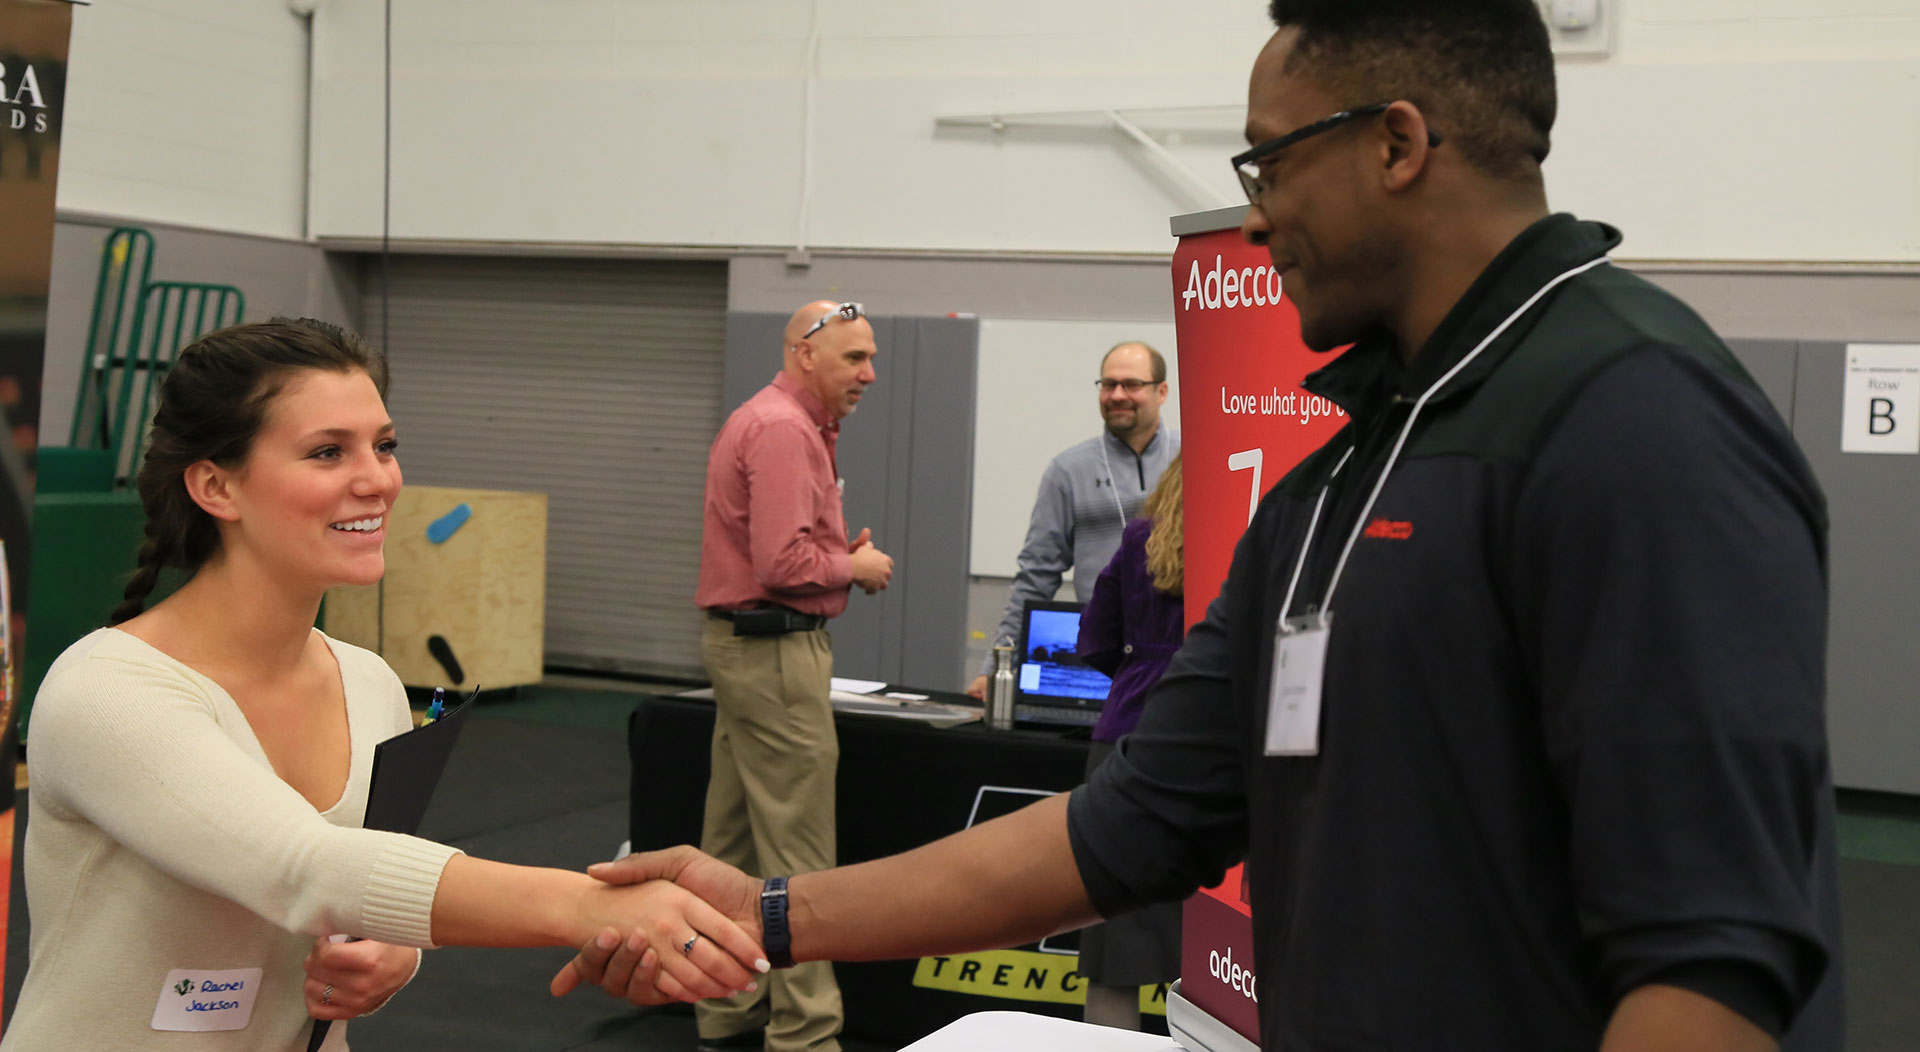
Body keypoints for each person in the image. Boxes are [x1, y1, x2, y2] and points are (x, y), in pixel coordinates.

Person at [560, 1, 1846, 1049]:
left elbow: (1711, 964)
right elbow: (1127, 822)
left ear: (1397, 143)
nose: (1255, 213)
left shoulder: (1635, 423)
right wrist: (773, 909)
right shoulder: (1344, 477)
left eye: (1270, 160)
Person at [5, 319, 767, 1051]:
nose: (377, 480)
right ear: (216, 486)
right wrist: (589, 904)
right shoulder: (107, 693)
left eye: (385, 445)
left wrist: (391, 952)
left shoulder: (367, 682)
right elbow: (302, 867)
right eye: (327, 452)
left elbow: (360, 889)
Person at [691, 300, 893, 1052]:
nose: (868, 374)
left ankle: (724, 1008)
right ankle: (806, 1034)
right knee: (801, 855)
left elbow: (778, 549)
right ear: (805, 355)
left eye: (870, 358)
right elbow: (783, 565)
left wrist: (838, 555)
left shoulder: (782, 422)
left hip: (748, 652)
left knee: (733, 843)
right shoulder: (782, 429)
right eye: (853, 358)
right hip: (774, 655)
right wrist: (855, 566)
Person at [966, 340, 1179, 700]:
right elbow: (1035, 577)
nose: (1116, 395)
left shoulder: (1192, 460)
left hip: (1176, 653)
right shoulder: (1068, 470)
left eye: (1131, 384)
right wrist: (996, 668)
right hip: (1101, 659)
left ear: (1161, 391)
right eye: (1108, 384)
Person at [1072, 453, 1185, 1030]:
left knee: (1114, 944)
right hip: (1208, 744)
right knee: (1215, 949)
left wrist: (1139, 671)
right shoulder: (1246, 535)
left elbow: (1093, 639)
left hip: (1123, 735)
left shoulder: (1140, 534)